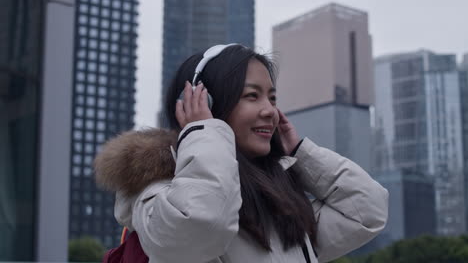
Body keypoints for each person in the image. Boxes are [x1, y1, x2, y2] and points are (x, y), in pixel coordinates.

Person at [94, 44, 388, 263]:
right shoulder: (158, 195)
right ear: (204, 102)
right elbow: (200, 227)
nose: (269, 110)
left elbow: (366, 210)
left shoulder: (280, 204)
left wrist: (301, 153)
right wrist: (205, 132)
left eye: (272, 98)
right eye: (252, 95)